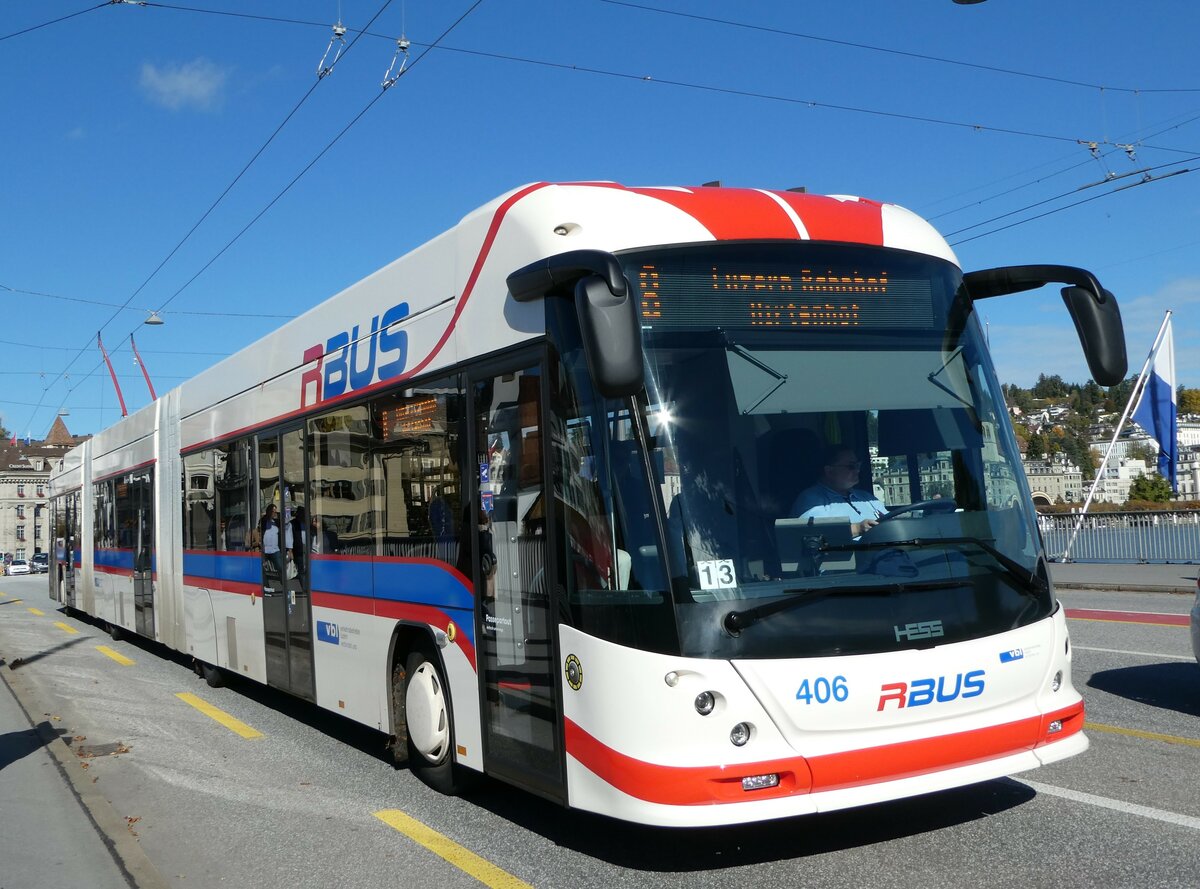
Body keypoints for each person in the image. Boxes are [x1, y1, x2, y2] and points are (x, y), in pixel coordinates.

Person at [792, 444, 887, 537]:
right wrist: (857, 529)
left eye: (858, 465)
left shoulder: (865, 497)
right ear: (829, 471)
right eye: (851, 466)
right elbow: (814, 533)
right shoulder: (811, 499)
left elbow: (889, 519)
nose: (857, 470)